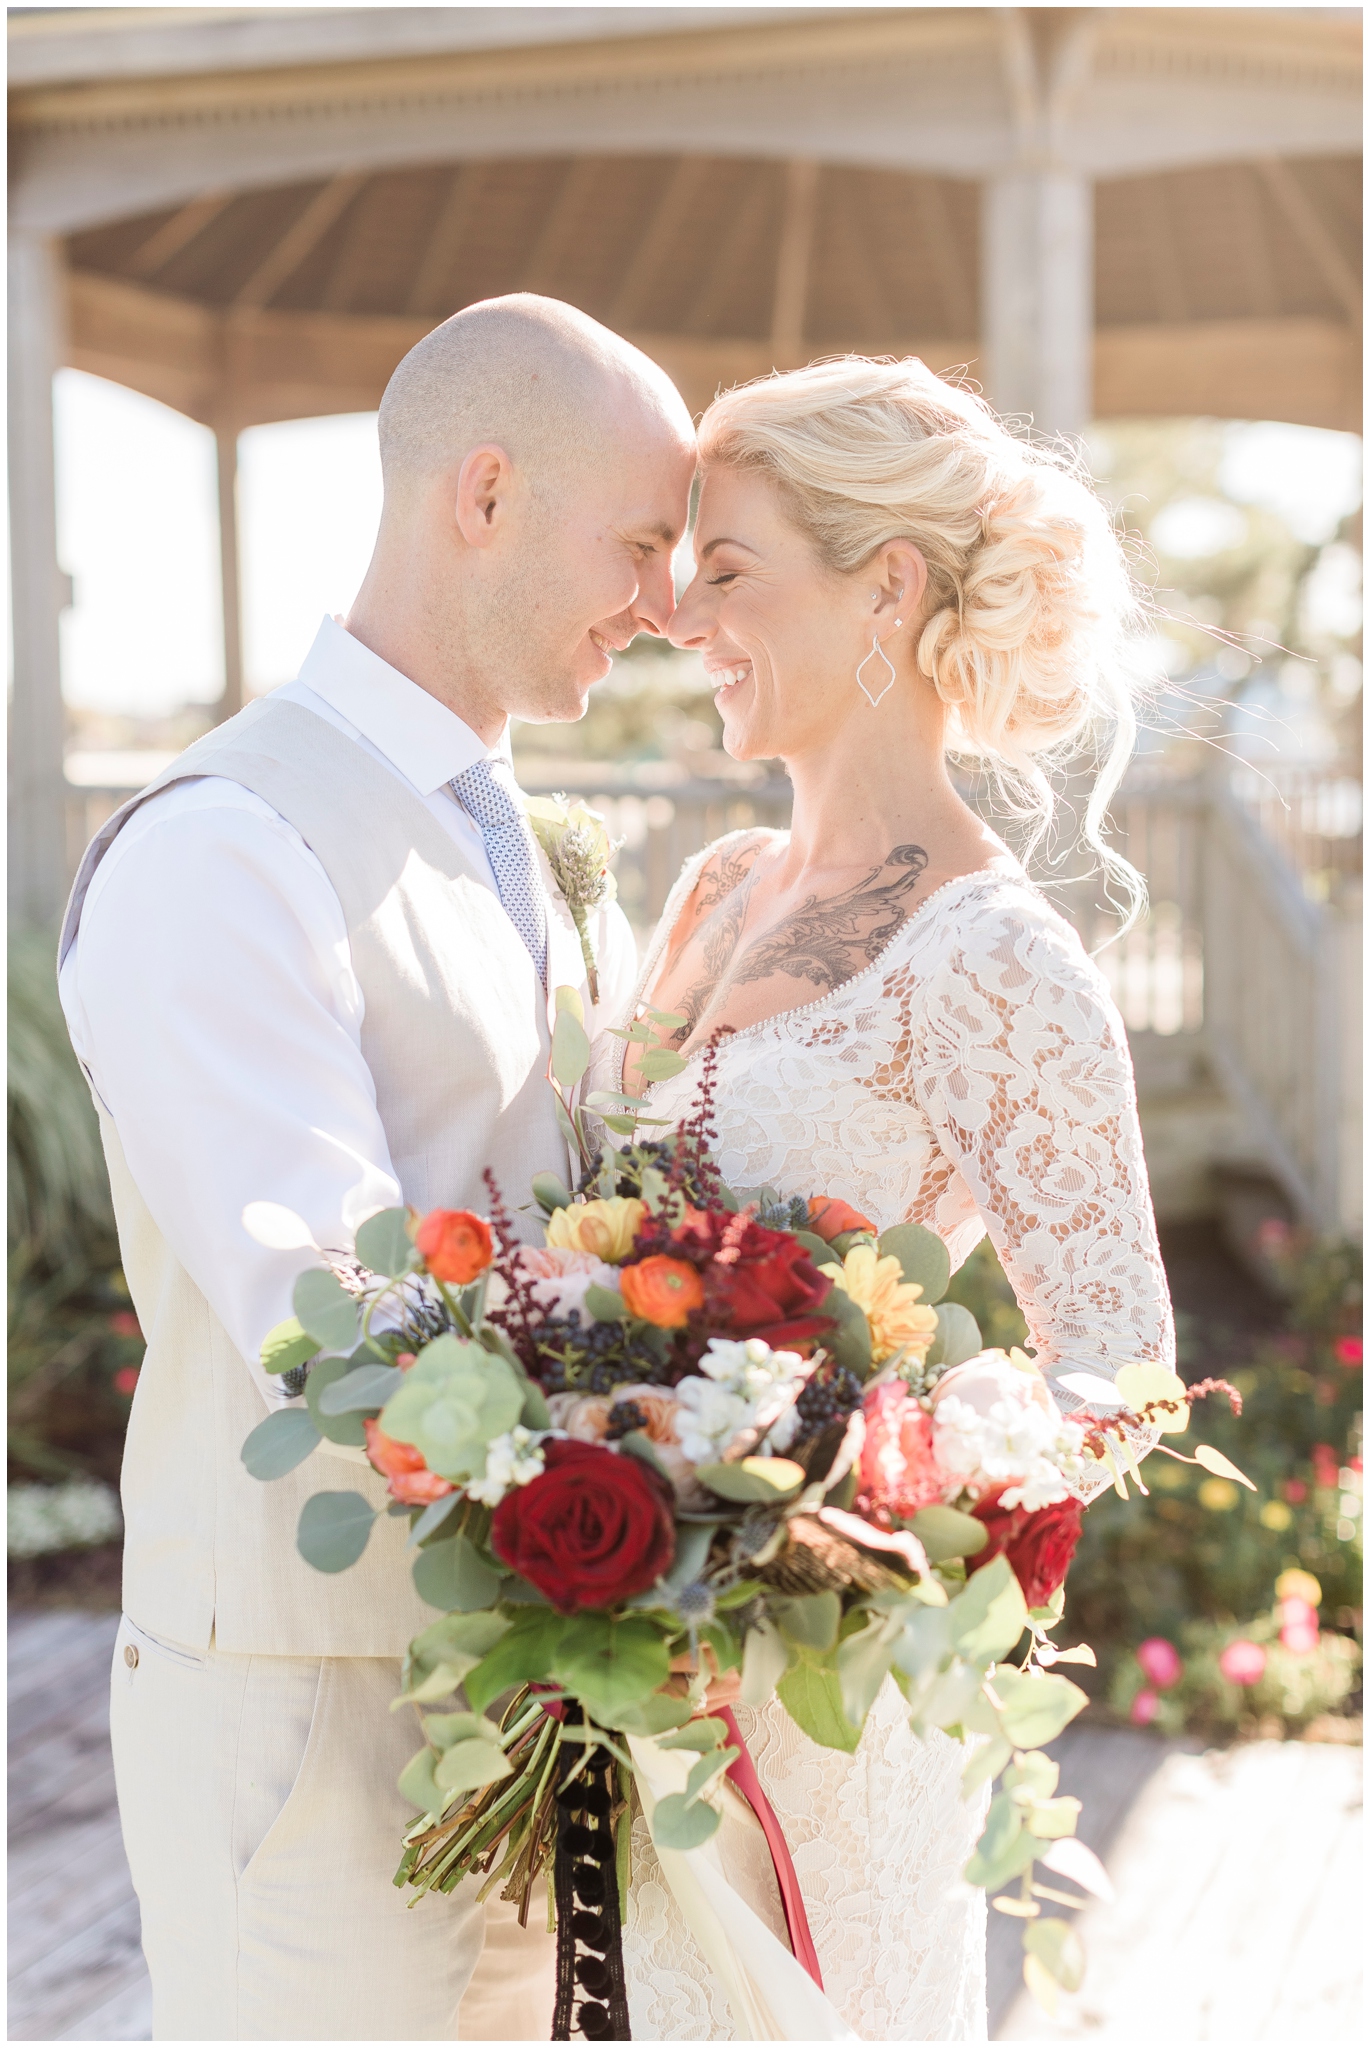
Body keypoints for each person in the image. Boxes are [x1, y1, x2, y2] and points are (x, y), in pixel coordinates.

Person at [57, 294, 695, 2042]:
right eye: (638, 543)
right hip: (305, 1701)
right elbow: (327, 1300)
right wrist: (688, 1463)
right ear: (480, 492)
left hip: (526, 1681)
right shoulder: (228, 847)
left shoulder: (524, 837)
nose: (659, 605)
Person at [589, 356, 1176, 2040]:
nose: (673, 612)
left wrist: (856, 1500)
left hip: (825, 1703)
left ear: (887, 588)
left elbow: (1119, 1373)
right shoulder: (711, 892)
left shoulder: (993, 957)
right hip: (627, 1667)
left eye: (727, 569)